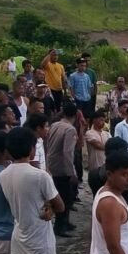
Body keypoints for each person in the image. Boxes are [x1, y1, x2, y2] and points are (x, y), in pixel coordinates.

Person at [45, 101, 78, 237]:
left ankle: (65, 222)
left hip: (51, 163)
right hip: (62, 167)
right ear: (75, 115)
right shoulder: (70, 129)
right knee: (65, 196)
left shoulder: (54, 125)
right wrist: (72, 172)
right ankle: (60, 226)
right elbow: (67, 152)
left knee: (61, 193)